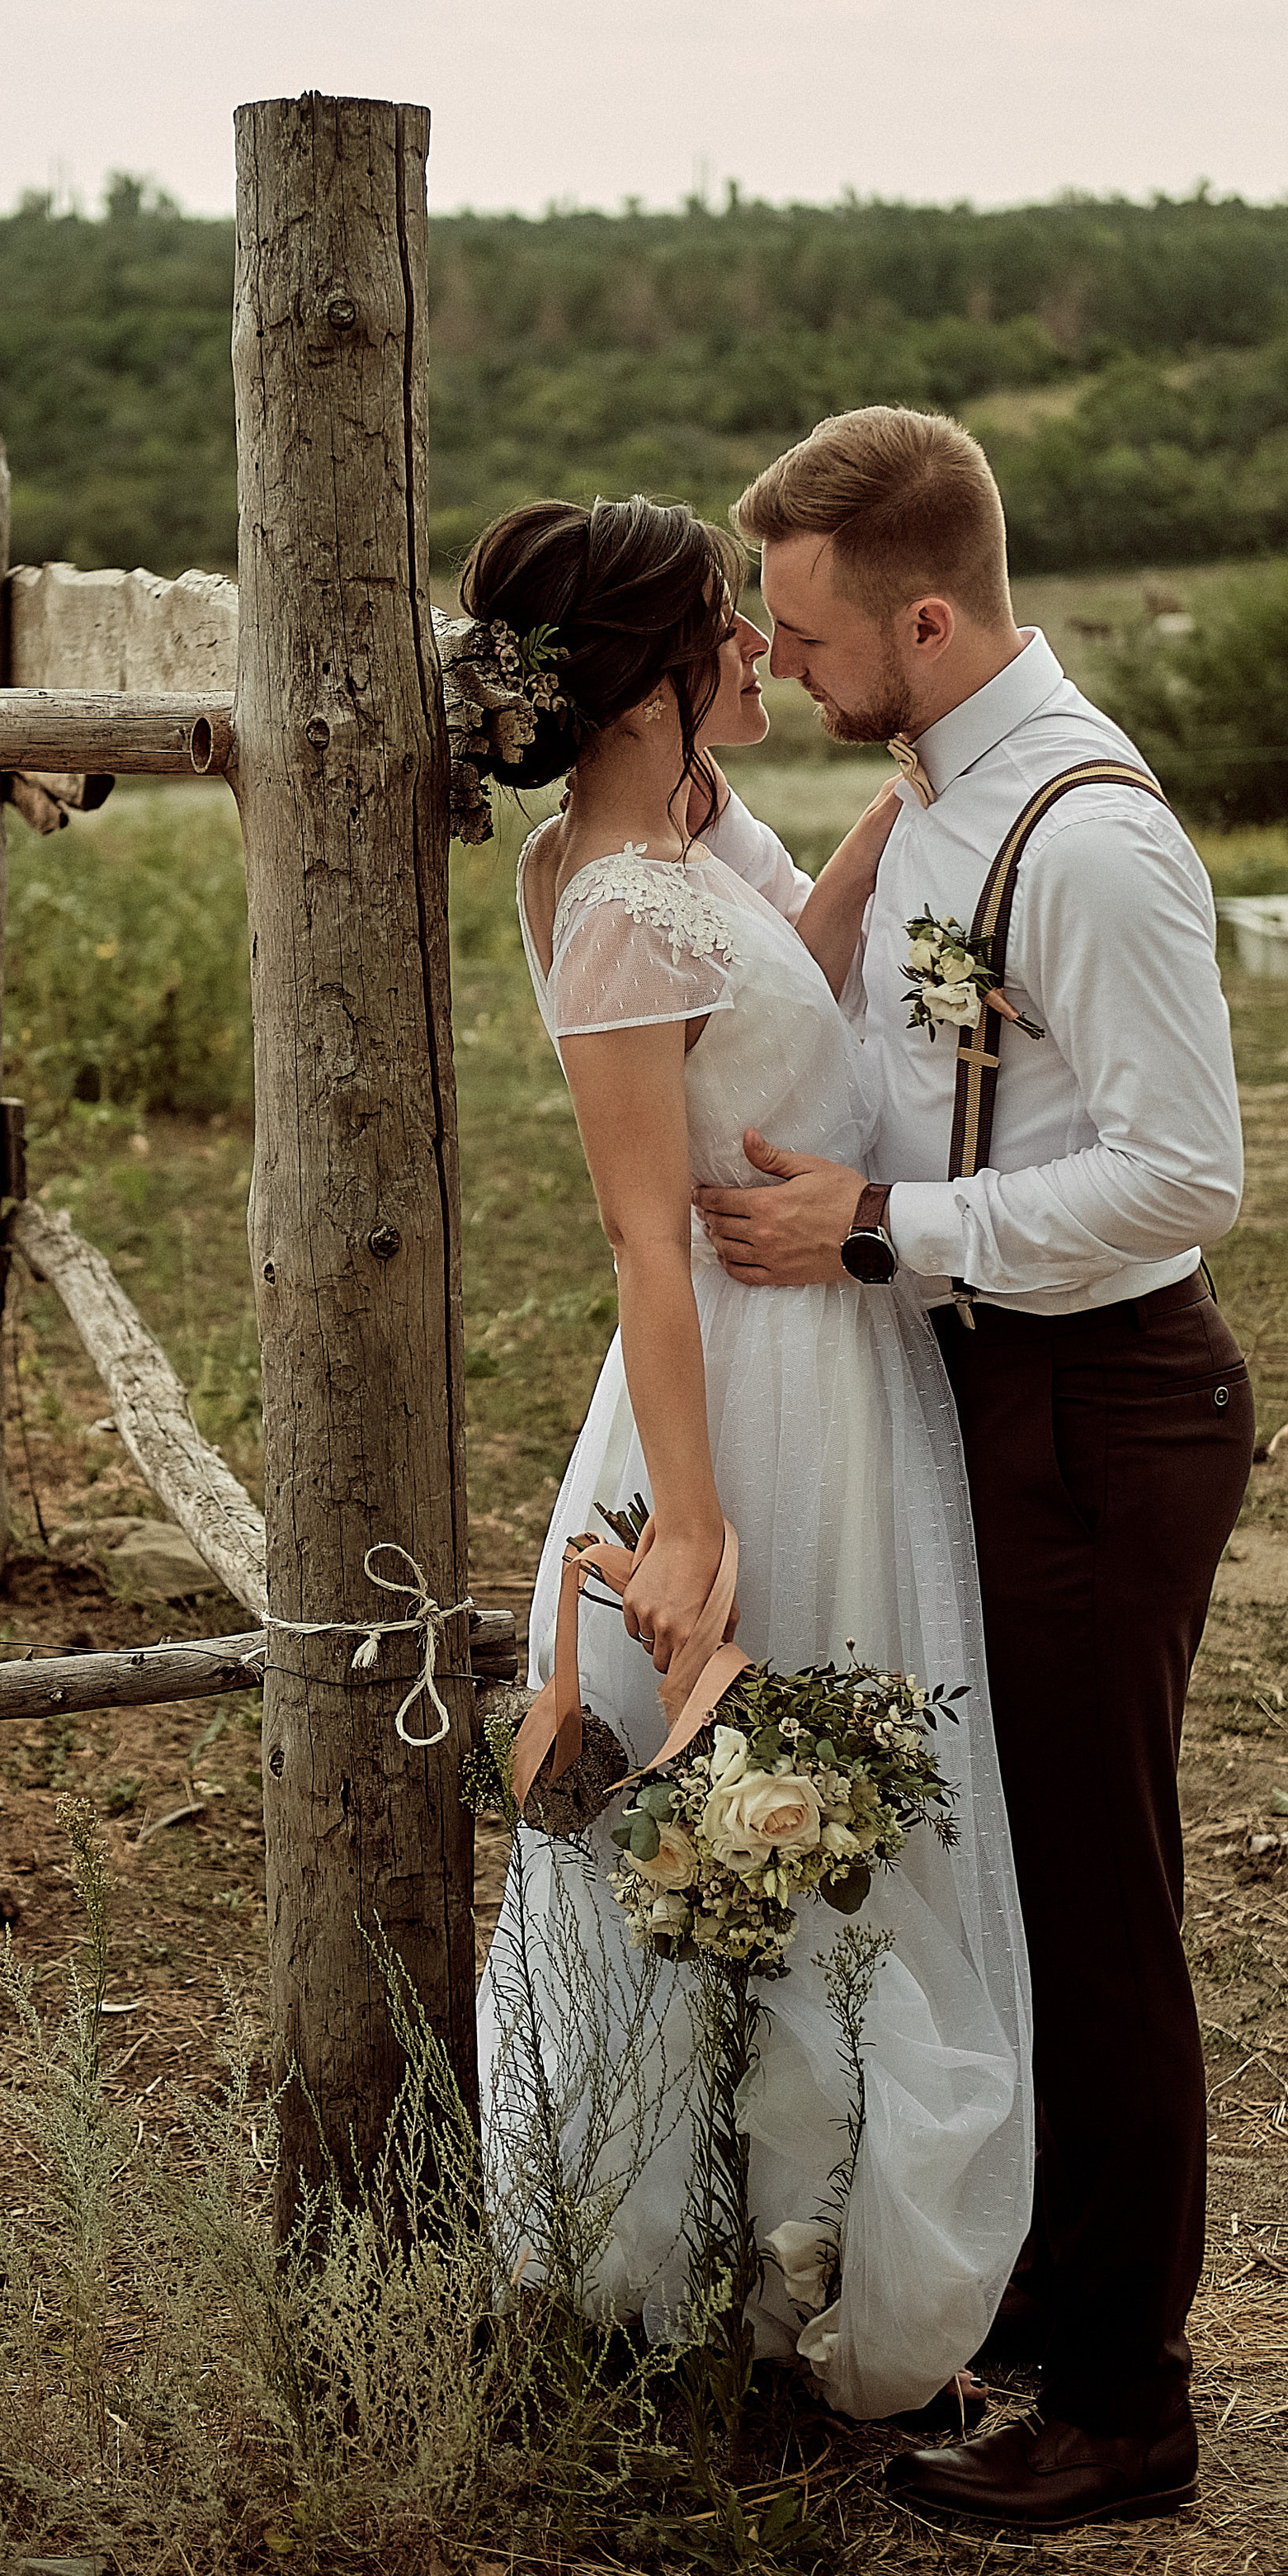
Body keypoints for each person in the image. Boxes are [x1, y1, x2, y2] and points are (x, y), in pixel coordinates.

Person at [693, 405, 1254, 2530]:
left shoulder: (1090, 840)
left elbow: (1184, 1170)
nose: (790, 656)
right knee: (1015, 1876)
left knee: (1101, 1914)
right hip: (993, 1393)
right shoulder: (935, 786)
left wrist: (880, 1230)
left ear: (926, 620)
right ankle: (1043, 2294)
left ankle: (1125, 2404)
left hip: (1105, 1402)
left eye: (814, 631)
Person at [467, 490, 1032, 2425]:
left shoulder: (654, 855)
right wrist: (688, 1522)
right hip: (741, 1383)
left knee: (796, 1809)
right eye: (726, 619)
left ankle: (780, 2260)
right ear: (646, 675)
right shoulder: (608, 899)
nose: (754, 647)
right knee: (751, 1799)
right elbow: (646, 1226)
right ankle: (742, 2280)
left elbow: (756, 1012)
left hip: (816, 1351)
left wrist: (878, 835)